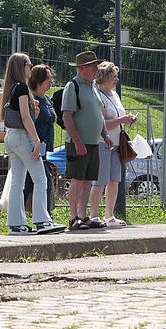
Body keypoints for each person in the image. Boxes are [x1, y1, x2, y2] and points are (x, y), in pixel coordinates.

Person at [0, 54, 63, 235]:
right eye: (29, 64)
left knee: (17, 183)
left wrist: (33, 111)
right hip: (22, 137)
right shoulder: (21, 88)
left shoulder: (12, 87)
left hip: (11, 137)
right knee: (41, 179)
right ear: (22, 67)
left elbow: (23, 115)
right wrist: (36, 140)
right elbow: (25, 118)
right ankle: (42, 220)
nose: (31, 67)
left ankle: (16, 223)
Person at [62, 50, 106, 231]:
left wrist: (105, 135)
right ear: (82, 68)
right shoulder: (73, 87)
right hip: (78, 143)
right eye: (92, 66)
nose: (96, 69)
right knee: (77, 179)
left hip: (93, 142)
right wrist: (77, 141)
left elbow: (99, 115)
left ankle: (83, 215)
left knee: (88, 179)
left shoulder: (93, 86)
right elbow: (67, 116)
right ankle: (73, 218)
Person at [89, 62, 137, 228]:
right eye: (114, 76)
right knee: (100, 180)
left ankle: (109, 216)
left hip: (117, 143)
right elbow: (102, 124)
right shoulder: (98, 95)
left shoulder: (114, 95)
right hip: (103, 142)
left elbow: (118, 118)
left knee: (114, 180)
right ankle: (94, 215)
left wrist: (128, 119)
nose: (117, 79)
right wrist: (121, 120)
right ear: (105, 77)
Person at [23, 64, 56, 213]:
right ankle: (45, 217)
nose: (51, 81)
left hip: (42, 148)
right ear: (38, 80)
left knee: (29, 182)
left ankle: (22, 214)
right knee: (45, 182)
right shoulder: (31, 100)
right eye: (47, 78)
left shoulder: (47, 99)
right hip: (33, 147)